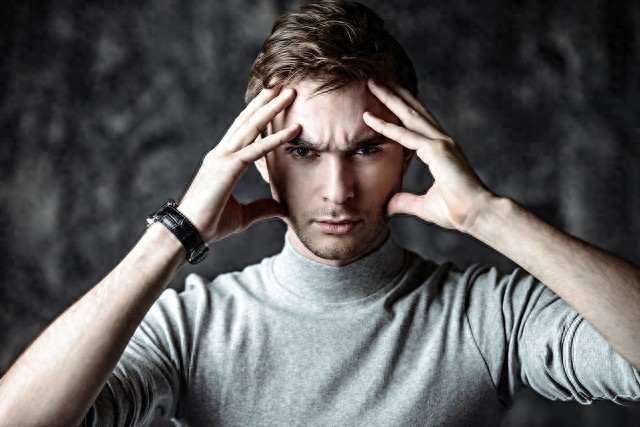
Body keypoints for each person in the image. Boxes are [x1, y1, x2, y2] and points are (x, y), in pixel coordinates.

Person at [1, 0, 639, 425]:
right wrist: (175, 233)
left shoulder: (486, 315)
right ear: (260, 158)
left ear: (411, 152)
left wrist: (489, 216)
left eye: (366, 150)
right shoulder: (192, 328)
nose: (337, 191)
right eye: (303, 151)